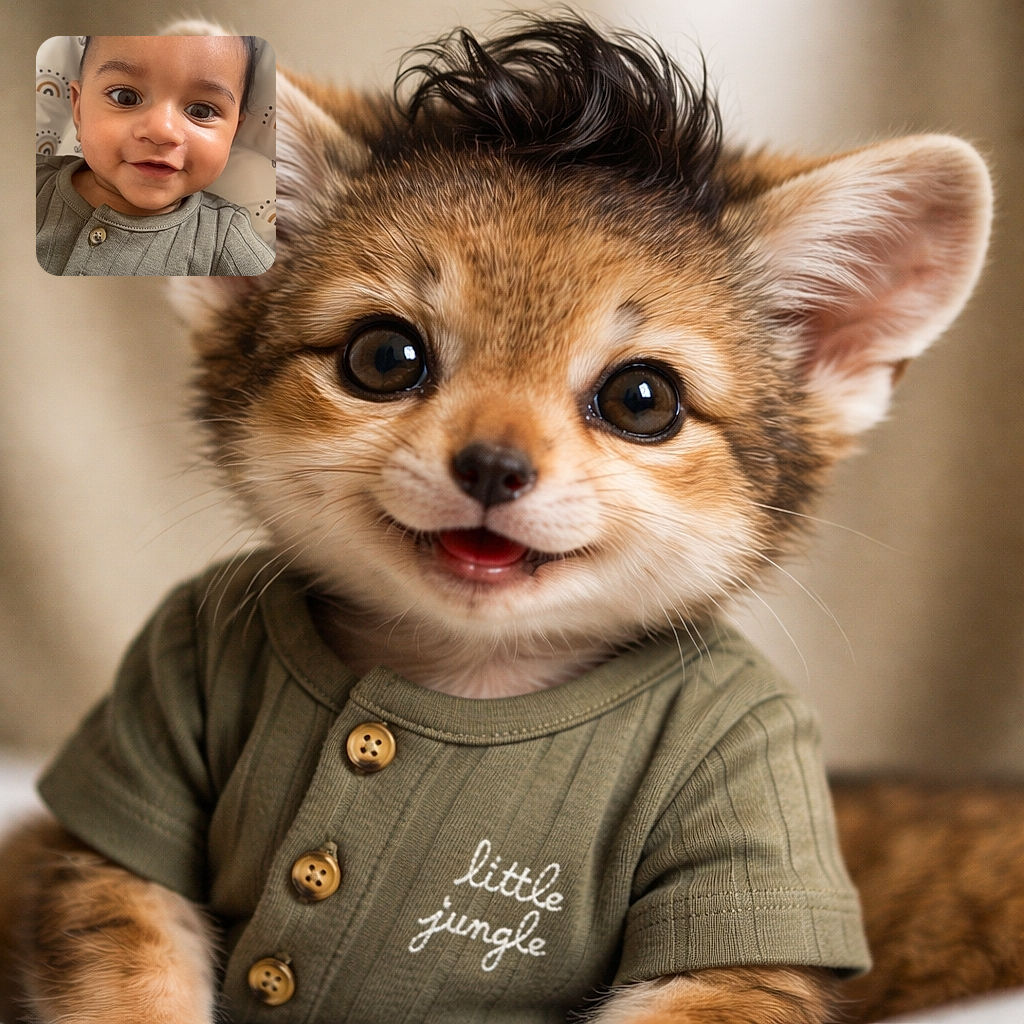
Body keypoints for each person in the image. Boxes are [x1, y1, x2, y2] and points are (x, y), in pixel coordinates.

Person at [36, 34, 274, 276]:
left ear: (233, 134)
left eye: (201, 111)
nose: (162, 131)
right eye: (126, 97)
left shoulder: (225, 239)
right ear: (78, 110)